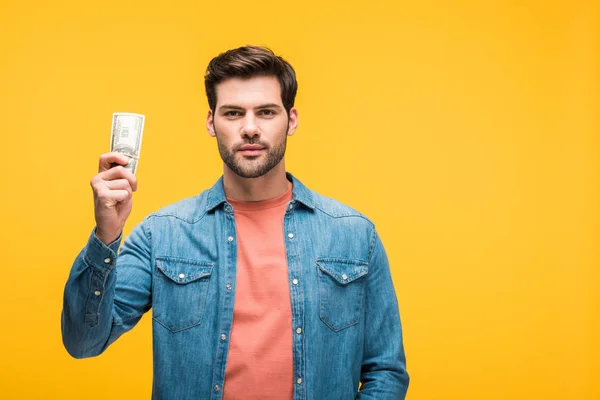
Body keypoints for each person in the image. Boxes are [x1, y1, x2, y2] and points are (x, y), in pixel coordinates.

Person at [61, 45, 409, 400]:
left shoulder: (354, 235)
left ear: (291, 120)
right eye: (233, 113)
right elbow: (83, 341)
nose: (250, 128)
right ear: (212, 122)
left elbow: (385, 371)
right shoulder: (161, 235)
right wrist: (107, 234)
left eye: (266, 112)